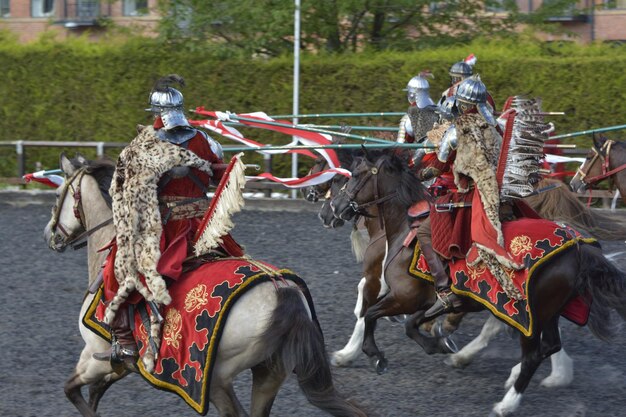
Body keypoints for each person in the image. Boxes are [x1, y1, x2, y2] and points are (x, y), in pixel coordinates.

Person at [94, 74, 242, 365]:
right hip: (205, 226)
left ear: (156, 114)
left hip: (166, 227)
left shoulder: (146, 145)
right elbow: (217, 178)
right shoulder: (208, 142)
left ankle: (124, 343)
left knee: (116, 269)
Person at [416, 74, 530, 318]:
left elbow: (439, 165)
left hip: (472, 193)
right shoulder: (495, 126)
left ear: (461, 103)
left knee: (424, 231)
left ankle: (444, 289)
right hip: (499, 193)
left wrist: (419, 173)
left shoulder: (457, 131)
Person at [397, 71, 438, 144]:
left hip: (423, 152)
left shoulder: (409, 118)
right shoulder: (437, 110)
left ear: (411, 94)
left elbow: (402, 146)